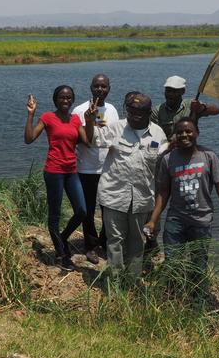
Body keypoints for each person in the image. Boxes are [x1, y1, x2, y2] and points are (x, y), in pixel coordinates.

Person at [144, 117, 219, 288]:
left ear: (197, 133)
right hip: (176, 221)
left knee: (199, 266)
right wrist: (153, 220)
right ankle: (172, 297)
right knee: (173, 263)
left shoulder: (208, 156)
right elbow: (163, 192)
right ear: (175, 135)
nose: (184, 135)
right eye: (180, 132)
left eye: (189, 131)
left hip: (201, 221)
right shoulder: (168, 159)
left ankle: (198, 301)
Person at [84, 92, 167, 280]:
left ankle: (131, 281)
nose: (135, 114)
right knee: (114, 241)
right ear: (127, 110)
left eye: (140, 111)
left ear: (149, 112)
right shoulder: (115, 128)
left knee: (137, 243)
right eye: (131, 110)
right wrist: (90, 121)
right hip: (114, 196)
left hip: (143, 198)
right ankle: (115, 282)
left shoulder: (158, 133)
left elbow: (163, 163)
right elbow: (93, 139)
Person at [25, 85, 88, 269]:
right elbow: (29, 139)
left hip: (71, 171)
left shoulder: (76, 119)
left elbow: (87, 141)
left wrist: (90, 120)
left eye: (68, 97)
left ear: (72, 99)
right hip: (53, 171)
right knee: (55, 214)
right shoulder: (47, 118)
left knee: (82, 211)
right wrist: (30, 114)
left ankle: (62, 237)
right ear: (55, 99)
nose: (65, 100)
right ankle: (62, 255)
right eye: (62, 97)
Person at [72, 74, 119, 264]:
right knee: (88, 210)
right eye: (97, 86)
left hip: (108, 168)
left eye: (104, 86)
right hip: (86, 168)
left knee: (110, 208)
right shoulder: (79, 110)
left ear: (109, 88)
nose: (100, 89)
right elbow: (76, 138)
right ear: (91, 88)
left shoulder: (113, 110)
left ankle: (104, 241)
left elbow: (116, 136)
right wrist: (89, 122)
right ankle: (90, 246)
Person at [151, 75, 219, 138]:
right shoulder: (157, 111)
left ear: (183, 91)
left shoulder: (191, 105)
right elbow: (153, 134)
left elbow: (217, 110)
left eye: (174, 91)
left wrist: (201, 108)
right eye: (168, 91)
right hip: (166, 148)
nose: (170, 94)